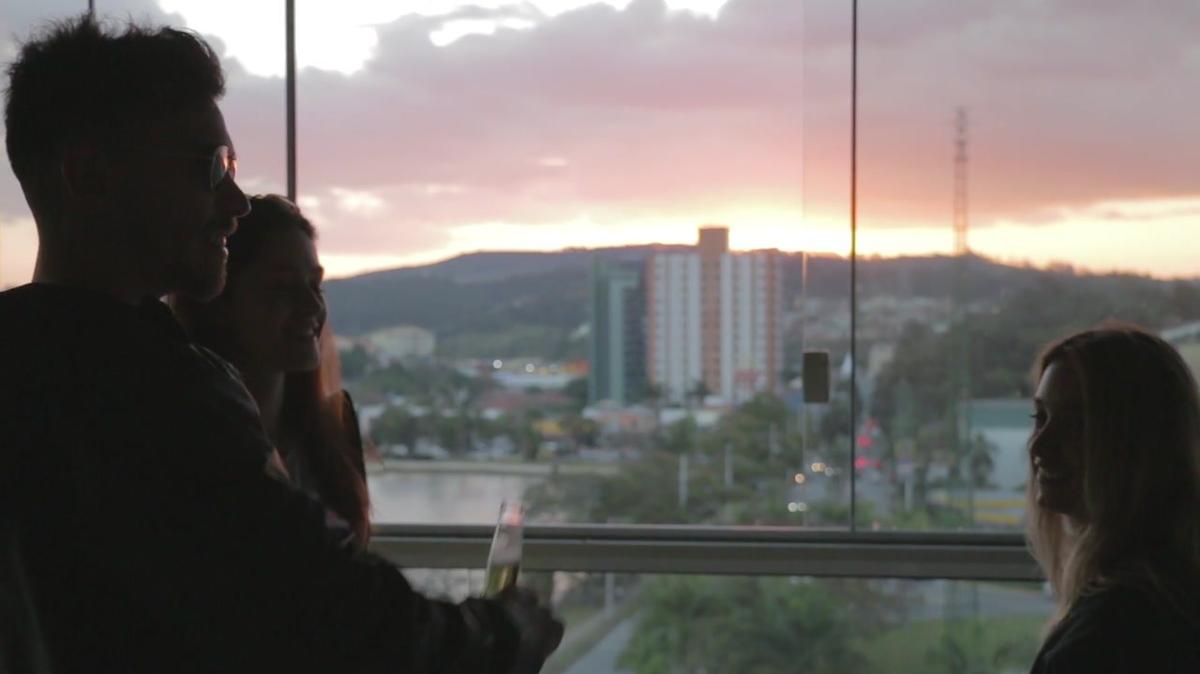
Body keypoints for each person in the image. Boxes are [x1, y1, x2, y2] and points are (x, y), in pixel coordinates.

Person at [0, 15, 561, 674]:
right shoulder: (155, 394)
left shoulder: (37, 367)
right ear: (89, 177)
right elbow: (339, 616)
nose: (235, 201)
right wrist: (506, 631)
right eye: (209, 167)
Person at [172, 195, 371, 547]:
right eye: (283, 288)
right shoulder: (186, 445)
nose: (312, 305)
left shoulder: (336, 425)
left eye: (315, 285)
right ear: (221, 304)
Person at [1026, 324, 1200, 672]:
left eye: (1077, 424)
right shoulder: (1166, 595)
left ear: (1139, 444)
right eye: (1040, 417)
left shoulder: (1110, 635)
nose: (1039, 445)